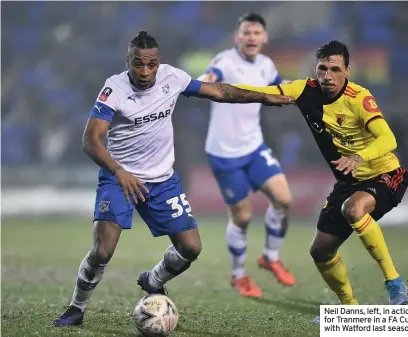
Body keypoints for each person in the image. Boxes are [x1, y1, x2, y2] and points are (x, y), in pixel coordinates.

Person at [53, 30, 292, 327]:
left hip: (162, 180)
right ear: (128, 61)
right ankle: (76, 308)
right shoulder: (113, 89)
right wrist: (118, 171)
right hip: (120, 178)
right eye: (137, 64)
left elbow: (221, 92)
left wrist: (265, 97)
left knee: (191, 247)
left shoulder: (172, 78)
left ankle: (153, 280)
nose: (144, 72)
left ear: (159, 62)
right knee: (103, 250)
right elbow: (91, 140)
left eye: (150, 65)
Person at [234, 40, 408, 319]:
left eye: (335, 69)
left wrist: (358, 157)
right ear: (315, 69)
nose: (328, 75)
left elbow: (388, 138)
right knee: (320, 250)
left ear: (347, 70)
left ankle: (394, 283)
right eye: (322, 68)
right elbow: (259, 92)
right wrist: (204, 89)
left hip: (385, 174)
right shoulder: (304, 89)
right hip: (349, 182)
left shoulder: (359, 97)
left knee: (353, 209)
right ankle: (349, 308)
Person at [197, 13, 295, 298]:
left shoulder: (266, 65)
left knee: (284, 199)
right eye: (246, 33)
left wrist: (305, 89)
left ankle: (270, 257)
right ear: (237, 37)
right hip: (224, 154)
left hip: (254, 147)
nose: (251, 38)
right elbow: (209, 77)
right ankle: (239, 275)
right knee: (242, 218)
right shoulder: (225, 61)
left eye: (256, 33)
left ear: (264, 38)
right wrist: (199, 83)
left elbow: (281, 84)